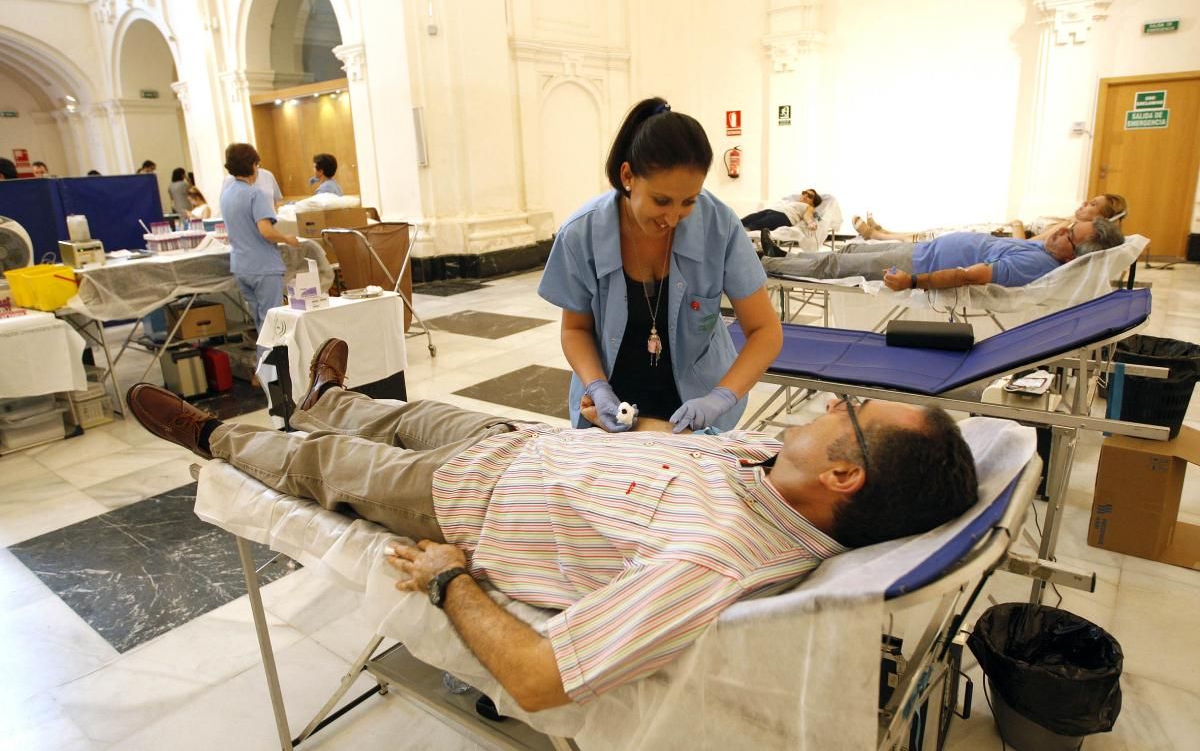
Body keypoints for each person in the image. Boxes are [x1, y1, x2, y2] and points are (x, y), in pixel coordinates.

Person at [124, 337, 979, 712]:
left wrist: (449, 577)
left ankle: (213, 433)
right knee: (401, 412)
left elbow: (538, 677)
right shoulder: (778, 466)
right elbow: (669, 442)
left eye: (848, 409)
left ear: (846, 473)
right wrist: (621, 419)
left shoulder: (718, 561)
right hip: (520, 442)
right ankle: (324, 400)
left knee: (323, 469)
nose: (831, 400)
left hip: (464, 501)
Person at [538, 97, 783, 434]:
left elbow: (765, 332)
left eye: (689, 202)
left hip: (695, 406)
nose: (672, 218)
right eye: (661, 201)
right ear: (628, 176)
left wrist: (721, 397)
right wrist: (597, 387)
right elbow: (575, 329)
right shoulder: (583, 234)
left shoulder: (718, 226)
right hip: (612, 406)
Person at [761, 218, 1124, 291]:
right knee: (853, 248)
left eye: (1069, 234)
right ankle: (778, 256)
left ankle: (763, 264)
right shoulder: (1048, 248)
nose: (1061, 229)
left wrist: (913, 282)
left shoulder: (1036, 263)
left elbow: (969, 276)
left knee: (835, 263)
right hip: (924, 250)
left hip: (919, 264)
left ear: (1072, 255)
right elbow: (1041, 231)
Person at [218, 143, 299, 346]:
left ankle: (263, 372)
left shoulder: (226, 195)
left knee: (260, 322)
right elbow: (266, 231)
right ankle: (272, 374)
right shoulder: (255, 194)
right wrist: (287, 238)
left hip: (242, 266)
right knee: (273, 323)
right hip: (263, 267)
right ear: (254, 165)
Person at [853, 193, 1128, 243]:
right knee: (938, 230)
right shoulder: (1069, 221)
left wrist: (1018, 225)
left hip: (1005, 240)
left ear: (1102, 217)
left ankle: (879, 236)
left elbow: (1029, 245)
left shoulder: (1070, 230)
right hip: (1002, 234)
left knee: (940, 236)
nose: (1084, 203)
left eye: (1093, 204)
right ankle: (886, 233)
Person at [741, 189, 823, 232]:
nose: (805, 195)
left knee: (753, 226)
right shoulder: (792, 202)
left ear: (814, 202)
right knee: (743, 221)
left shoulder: (809, 207)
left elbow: (808, 215)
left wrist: (810, 223)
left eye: (809, 196)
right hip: (769, 211)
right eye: (804, 193)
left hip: (784, 217)